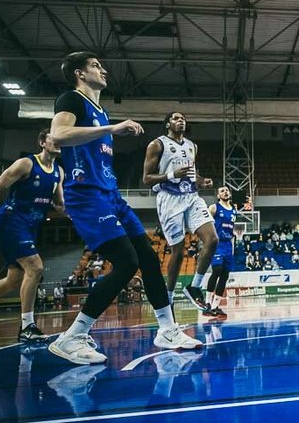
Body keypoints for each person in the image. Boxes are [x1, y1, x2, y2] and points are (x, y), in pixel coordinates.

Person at [48, 52, 202, 365]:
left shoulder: (100, 110)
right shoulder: (72, 99)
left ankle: (167, 329)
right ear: (79, 73)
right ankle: (73, 335)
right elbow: (59, 135)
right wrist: (113, 130)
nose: (102, 69)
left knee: (147, 255)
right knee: (126, 261)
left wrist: (109, 127)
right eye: (94, 65)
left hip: (110, 194)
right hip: (87, 195)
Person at [0, 129, 64, 342]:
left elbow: (60, 204)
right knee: (35, 268)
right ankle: (27, 327)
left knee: (14, 278)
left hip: (31, 226)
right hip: (11, 220)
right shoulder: (25, 164)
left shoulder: (59, 172)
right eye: (54, 137)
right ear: (42, 141)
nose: (59, 141)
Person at [141, 111, 218, 310]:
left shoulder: (193, 146)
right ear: (167, 124)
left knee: (212, 240)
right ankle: (168, 297)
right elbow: (147, 179)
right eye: (176, 118)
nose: (180, 121)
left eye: (183, 118)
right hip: (169, 199)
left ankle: (194, 287)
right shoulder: (157, 144)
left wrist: (202, 181)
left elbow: (192, 173)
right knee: (178, 252)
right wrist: (171, 174)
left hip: (191, 197)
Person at [206, 186, 237, 318]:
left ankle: (215, 306)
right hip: (217, 243)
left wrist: (233, 247)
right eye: (222, 191)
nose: (225, 192)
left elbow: (232, 230)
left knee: (224, 275)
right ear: (218, 195)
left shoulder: (234, 211)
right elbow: (204, 222)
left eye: (227, 190)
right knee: (217, 270)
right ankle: (207, 303)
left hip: (228, 245)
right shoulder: (214, 208)